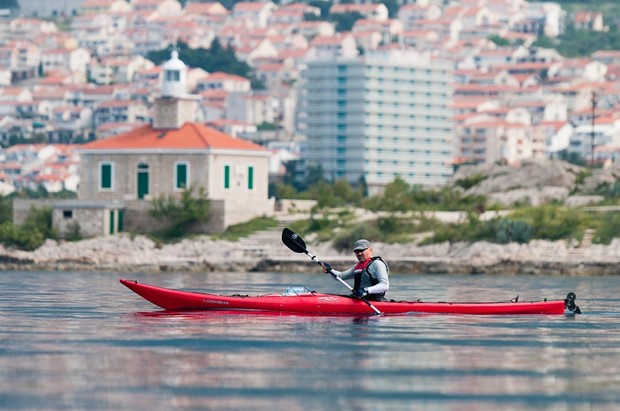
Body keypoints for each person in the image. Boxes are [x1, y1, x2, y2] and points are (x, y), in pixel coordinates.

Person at [322, 239, 389, 301]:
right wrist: (330, 270)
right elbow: (340, 276)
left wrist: (366, 290)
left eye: (362, 250)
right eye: (356, 251)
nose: (359, 253)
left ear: (370, 249)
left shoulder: (377, 264)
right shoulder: (358, 266)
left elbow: (384, 285)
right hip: (358, 299)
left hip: (374, 301)